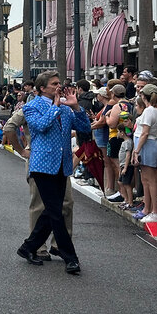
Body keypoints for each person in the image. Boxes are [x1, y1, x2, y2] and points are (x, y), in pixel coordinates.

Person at [17, 71, 90, 275]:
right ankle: (70, 257)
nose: (59, 86)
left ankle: (28, 247)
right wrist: (56, 107)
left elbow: (85, 129)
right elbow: (40, 127)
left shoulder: (66, 108)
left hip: (62, 163)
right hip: (42, 165)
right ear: (42, 88)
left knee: (52, 211)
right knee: (56, 212)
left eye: (59, 83)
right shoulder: (31, 106)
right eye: (54, 84)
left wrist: (76, 107)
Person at [131, 85, 157, 223]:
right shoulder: (153, 110)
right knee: (146, 180)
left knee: (151, 180)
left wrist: (137, 150)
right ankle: (148, 209)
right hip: (147, 144)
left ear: (144, 96)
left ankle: (156, 212)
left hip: (147, 145)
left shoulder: (150, 110)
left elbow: (145, 132)